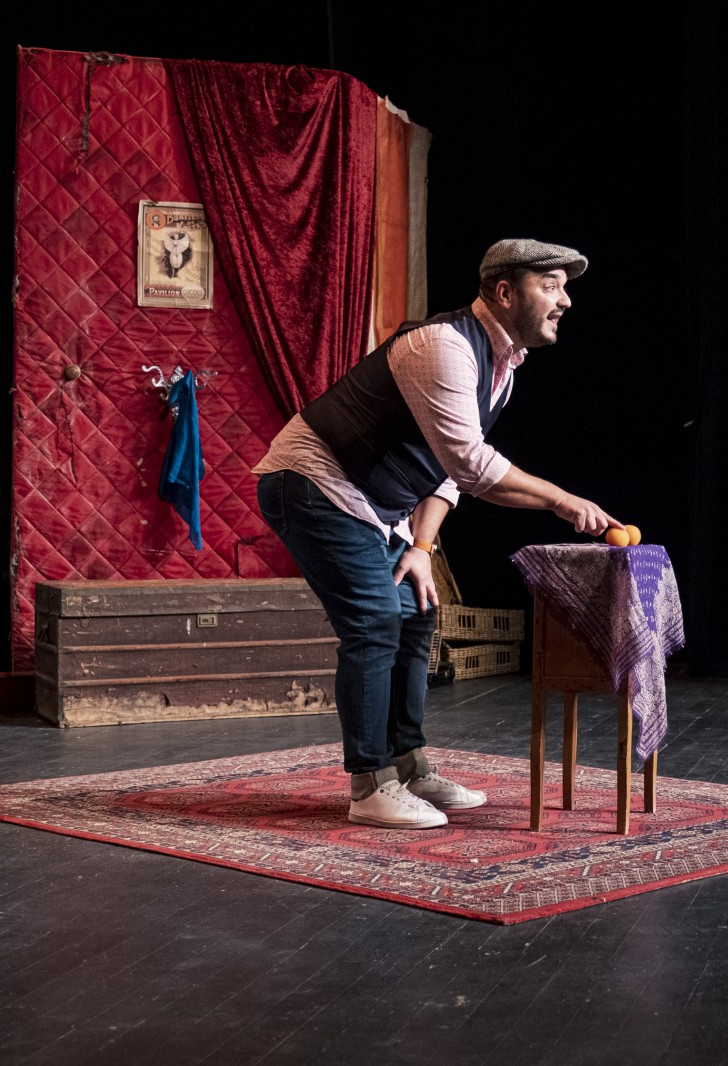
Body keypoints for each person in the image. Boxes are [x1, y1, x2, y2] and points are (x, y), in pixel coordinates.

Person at [253, 238, 622, 829]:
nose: (565, 301)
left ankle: (408, 766)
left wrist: (422, 547)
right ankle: (370, 785)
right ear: (505, 292)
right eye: (550, 286)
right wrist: (561, 499)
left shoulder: (501, 370)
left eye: (564, 288)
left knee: (417, 611)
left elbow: (447, 472)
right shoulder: (444, 346)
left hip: (377, 505)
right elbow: (473, 465)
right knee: (374, 621)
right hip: (313, 481)